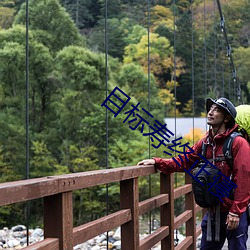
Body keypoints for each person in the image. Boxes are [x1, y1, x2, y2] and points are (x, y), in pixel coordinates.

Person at [137, 97, 250, 250]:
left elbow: (244, 179)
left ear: (227, 118)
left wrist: (236, 212)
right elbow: (184, 161)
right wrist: (157, 162)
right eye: (210, 109)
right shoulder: (204, 143)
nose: (210, 112)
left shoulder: (238, 143)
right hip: (212, 211)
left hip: (233, 211)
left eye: (216, 110)